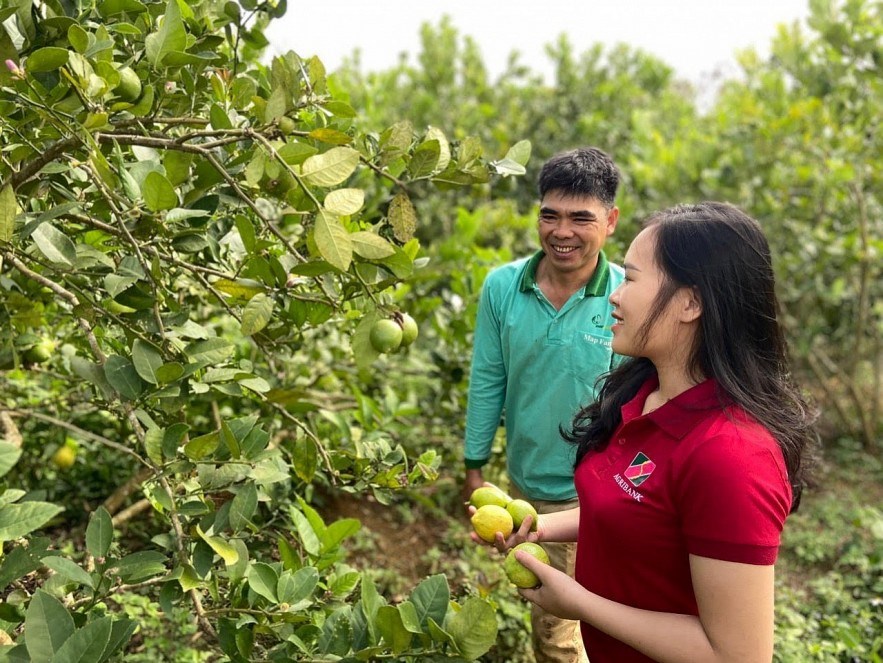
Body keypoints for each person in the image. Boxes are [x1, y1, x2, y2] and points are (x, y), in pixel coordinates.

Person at [501, 202, 815, 662]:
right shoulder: (643, 393)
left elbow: (737, 656)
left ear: (690, 303)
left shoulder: (731, 455)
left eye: (628, 278)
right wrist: (539, 526)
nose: (614, 294)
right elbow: (634, 510)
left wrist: (578, 603)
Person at [463, 147, 623, 663]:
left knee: (602, 625)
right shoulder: (503, 287)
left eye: (582, 218)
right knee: (555, 628)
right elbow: (489, 377)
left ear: (611, 221)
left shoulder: (629, 295)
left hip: (609, 495)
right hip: (529, 494)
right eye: (550, 215)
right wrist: (473, 465)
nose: (562, 231)